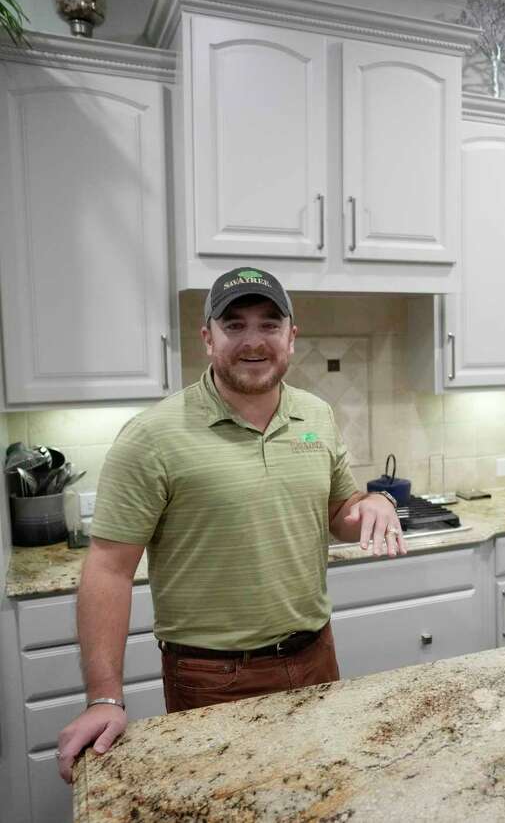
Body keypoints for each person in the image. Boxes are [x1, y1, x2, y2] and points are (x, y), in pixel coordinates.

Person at [56, 267, 406, 782]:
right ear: (207, 338)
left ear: (291, 335)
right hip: (213, 676)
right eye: (234, 324)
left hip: (316, 658)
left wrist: (374, 503)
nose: (253, 341)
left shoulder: (316, 416)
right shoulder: (152, 436)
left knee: (323, 796)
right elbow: (108, 569)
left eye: (268, 324)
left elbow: (338, 513)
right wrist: (104, 698)